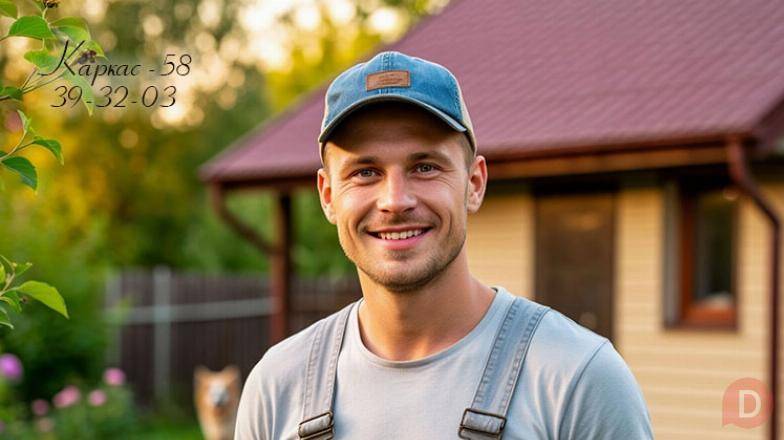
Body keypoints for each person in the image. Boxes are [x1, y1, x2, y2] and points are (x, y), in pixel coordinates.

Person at [234, 51, 653, 439]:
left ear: (474, 184)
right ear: (328, 195)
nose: (395, 200)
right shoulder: (277, 388)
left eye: (425, 166)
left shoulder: (579, 379)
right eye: (365, 172)